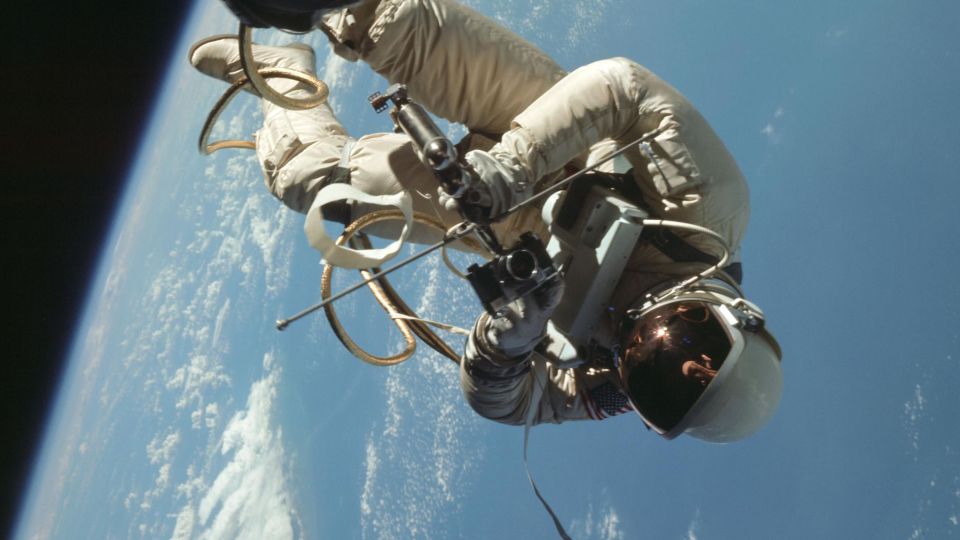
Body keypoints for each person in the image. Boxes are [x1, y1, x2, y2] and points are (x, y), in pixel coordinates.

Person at [191, 0, 783, 442]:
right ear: (736, 315)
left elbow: (511, 403)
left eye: (656, 376)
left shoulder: (608, 377)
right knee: (391, 24)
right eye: (692, 339)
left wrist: (506, 342)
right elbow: (624, 90)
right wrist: (511, 165)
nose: (649, 344)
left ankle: (280, 72)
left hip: (494, 220)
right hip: (560, 129)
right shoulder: (709, 213)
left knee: (311, 181)